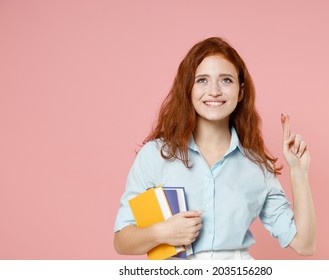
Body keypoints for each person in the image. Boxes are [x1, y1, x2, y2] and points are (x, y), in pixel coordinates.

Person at [113, 37, 316, 260]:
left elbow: (304, 245)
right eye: (202, 80)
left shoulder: (257, 165)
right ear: (187, 89)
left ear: (240, 92)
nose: (214, 91)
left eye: (226, 80)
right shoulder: (155, 155)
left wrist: (298, 171)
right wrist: (162, 232)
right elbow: (123, 241)